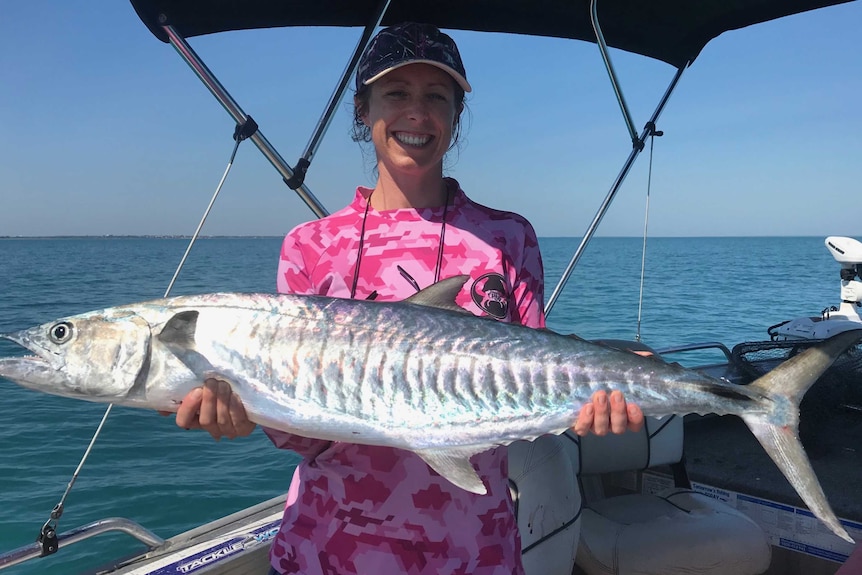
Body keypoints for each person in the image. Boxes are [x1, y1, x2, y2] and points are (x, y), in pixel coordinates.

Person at [172, 22, 644, 575]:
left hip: (475, 551)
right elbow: (297, 423)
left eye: (436, 97)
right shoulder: (312, 247)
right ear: (363, 109)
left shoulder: (507, 237)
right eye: (396, 93)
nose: (416, 113)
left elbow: (538, 372)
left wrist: (602, 392)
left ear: (455, 116)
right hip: (326, 550)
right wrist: (240, 414)